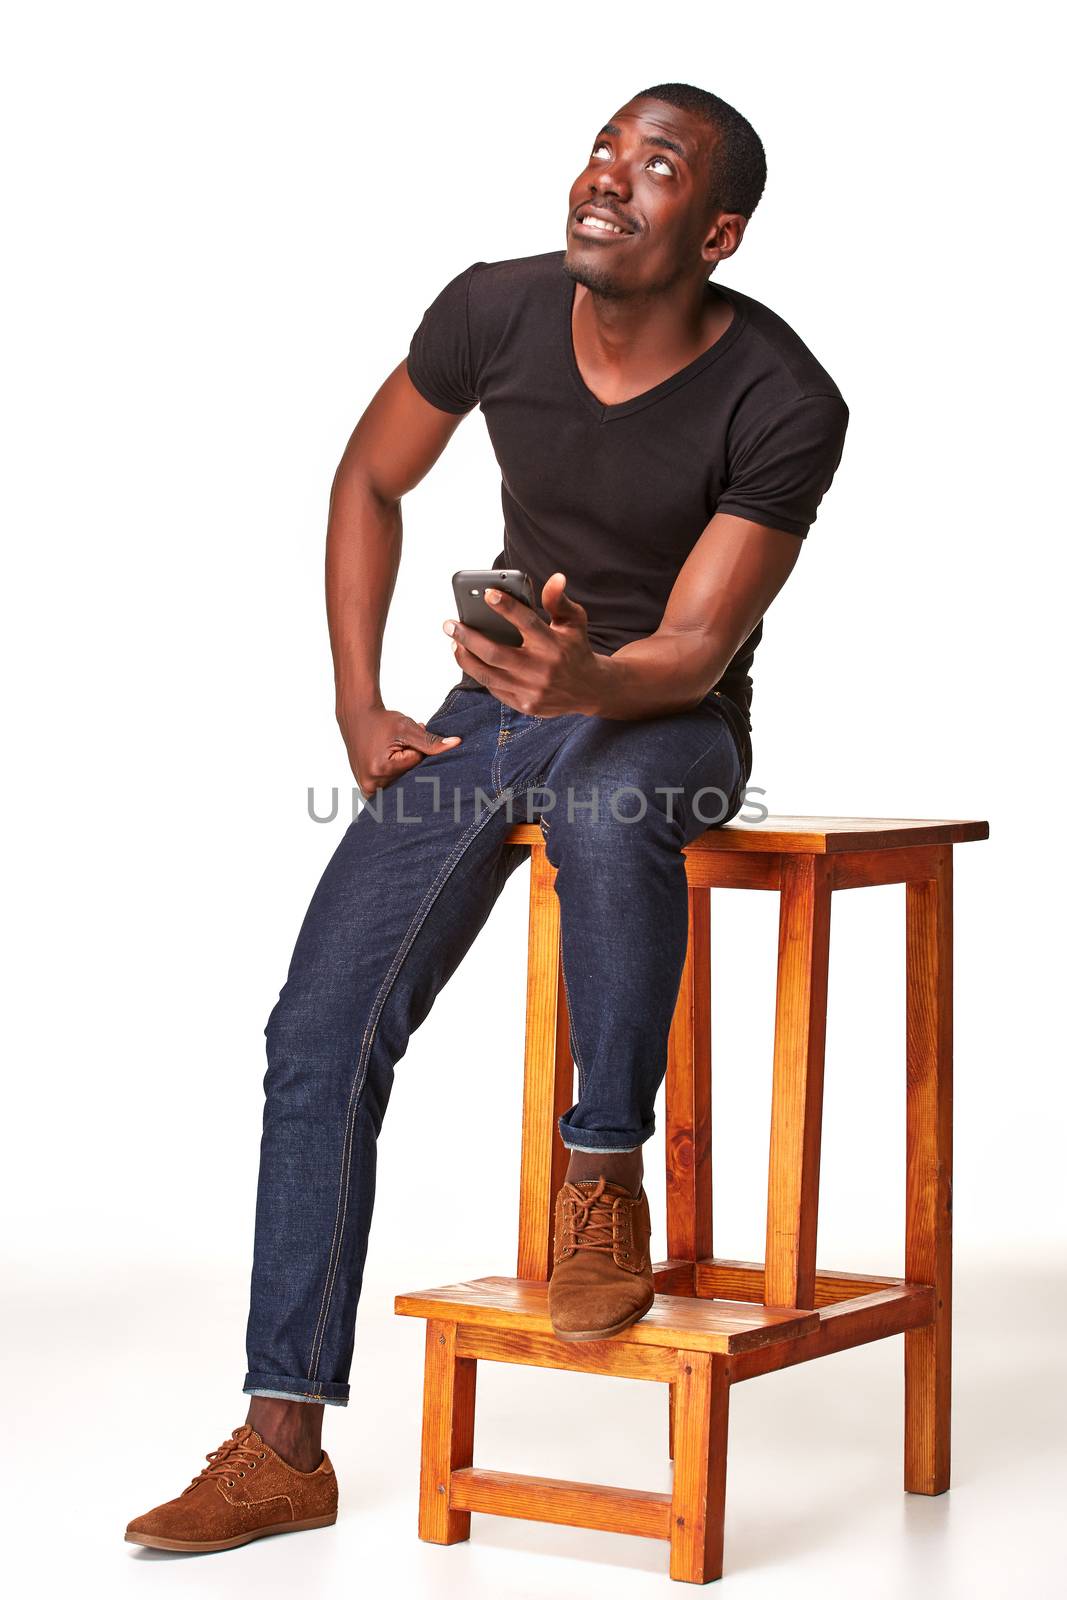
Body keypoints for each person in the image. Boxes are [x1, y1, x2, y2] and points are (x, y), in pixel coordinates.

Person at [126, 80, 849, 1554]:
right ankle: (283, 1446)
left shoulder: (785, 395)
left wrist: (596, 678)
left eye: (654, 169)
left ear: (715, 231)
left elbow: (700, 646)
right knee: (320, 1025)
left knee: (599, 812)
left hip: (669, 720)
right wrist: (356, 698)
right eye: (602, 150)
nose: (607, 179)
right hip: (496, 701)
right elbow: (371, 473)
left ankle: (601, 1174)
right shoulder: (494, 309)